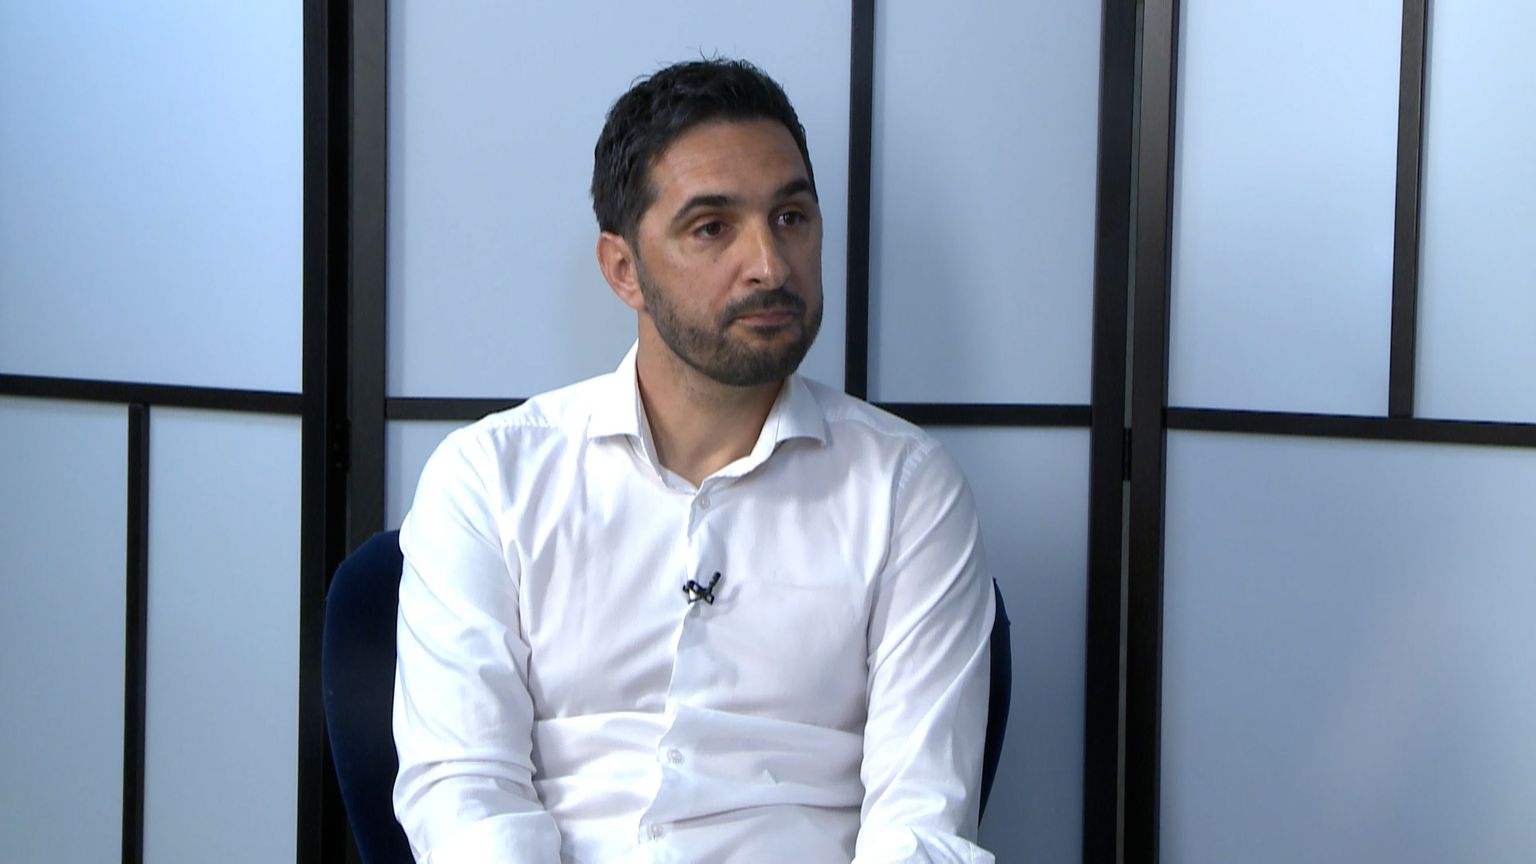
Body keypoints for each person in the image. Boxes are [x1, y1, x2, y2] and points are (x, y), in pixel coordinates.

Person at [392, 58, 996, 863]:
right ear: (624, 270)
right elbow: (465, 796)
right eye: (712, 228)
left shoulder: (907, 490)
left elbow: (919, 824)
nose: (770, 265)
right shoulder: (489, 479)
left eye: (791, 218)